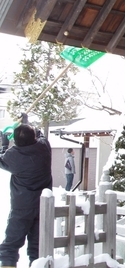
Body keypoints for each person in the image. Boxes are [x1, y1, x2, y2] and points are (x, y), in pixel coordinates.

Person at [0, 114, 52, 268]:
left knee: (11, 244)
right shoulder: (44, 147)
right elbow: (40, 134)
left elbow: (2, 158)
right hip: (42, 206)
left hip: (21, 206)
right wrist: (26, 123)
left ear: (15, 141)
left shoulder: (13, 156)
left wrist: (3, 143)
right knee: (37, 246)